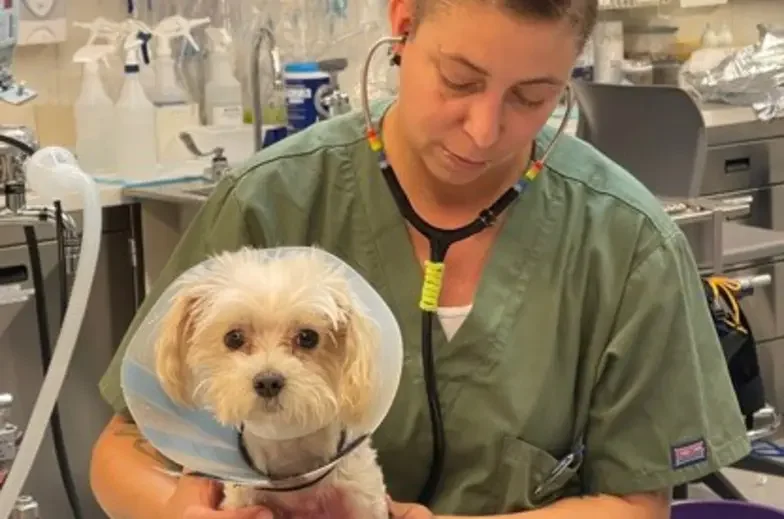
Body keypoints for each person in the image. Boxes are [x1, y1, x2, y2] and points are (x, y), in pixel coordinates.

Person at [89, 0, 753, 517]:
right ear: (402, 22)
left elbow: (637, 505)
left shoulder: (626, 241)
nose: (484, 129)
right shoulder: (272, 199)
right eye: (458, 80)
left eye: (532, 96)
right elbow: (121, 449)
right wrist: (175, 507)